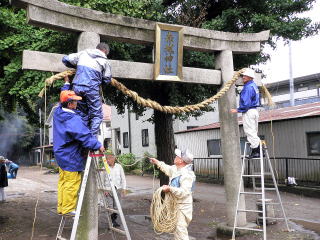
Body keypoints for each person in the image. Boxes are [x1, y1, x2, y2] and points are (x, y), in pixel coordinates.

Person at [53, 90, 105, 216]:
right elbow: (84, 136)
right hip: (70, 155)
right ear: (70, 104)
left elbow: (63, 97)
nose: (77, 103)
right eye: (75, 101)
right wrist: (98, 145)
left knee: (63, 182)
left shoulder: (58, 111)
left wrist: (66, 85)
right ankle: (68, 209)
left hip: (60, 154)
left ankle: (61, 207)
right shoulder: (72, 119)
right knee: (72, 183)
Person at [62, 42, 112, 135]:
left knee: (80, 112)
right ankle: (91, 141)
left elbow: (65, 59)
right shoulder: (105, 62)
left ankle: (79, 136)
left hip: (77, 87)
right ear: (105, 51)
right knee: (96, 115)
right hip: (91, 89)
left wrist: (77, 65)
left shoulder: (83, 53)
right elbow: (106, 79)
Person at [149, 149, 196, 240]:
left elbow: (184, 192)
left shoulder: (188, 175)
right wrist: (157, 162)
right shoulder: (176, 169)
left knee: (180, 231)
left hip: (182, 208)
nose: (175, 157)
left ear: (181, 160)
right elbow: (167, 168)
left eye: (177, 156)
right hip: (176, 206)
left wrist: (170, 188)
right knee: (177, 231)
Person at [230, 68, 261, 158]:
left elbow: (246, 102)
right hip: (254, 110)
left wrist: (238, 110)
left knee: (249, 131)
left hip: (249, 111)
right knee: (253, 131)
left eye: (245, 76)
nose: (243, 77)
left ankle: (256, 152)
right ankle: (258, 151)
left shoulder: (247, 87)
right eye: (243, 75)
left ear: (250, 77)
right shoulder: (254, 86)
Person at [102, 152, 126, 228]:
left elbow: (123, 178)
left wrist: (124, 188)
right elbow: (101, 180)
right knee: (110, 207)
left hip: (118, 189)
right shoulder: (104, 168)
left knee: (117, 207)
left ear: (113, 158)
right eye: (106, 159)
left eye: (109, 158)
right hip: (108, 190)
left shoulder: (119, 167)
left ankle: (113, 220)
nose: (107, 160)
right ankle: (111, 223)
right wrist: (104, 190)